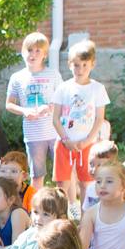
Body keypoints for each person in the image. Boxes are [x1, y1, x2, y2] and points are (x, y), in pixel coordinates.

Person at [51, 40, 109, 212]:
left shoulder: (97, 88)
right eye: (76, 65)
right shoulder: (63, 88)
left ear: (92, 64)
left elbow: (100, 119)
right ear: (70, 65)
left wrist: (87, 141)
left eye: (85, 65)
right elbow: (55, 119)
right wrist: (66, 139)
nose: (80, 69)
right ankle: (64, 215)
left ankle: (86, 217)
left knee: (86, 182)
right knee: (62, 182)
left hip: (87, 144)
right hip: (64, 143)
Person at [5, 32, 62, 189]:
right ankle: (36, 209)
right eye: (29, 50)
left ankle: (66, 206)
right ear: (23, 52)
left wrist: (50, 107)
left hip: (56, 133)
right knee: (37, 176)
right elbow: (9, 104)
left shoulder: (53, 74)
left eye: (38, 51)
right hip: (33, 135)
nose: (33, 54)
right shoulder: (17, 77)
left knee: (62, 176)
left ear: (44, 55)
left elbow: (63, 100)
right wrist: (24, 111)